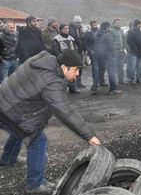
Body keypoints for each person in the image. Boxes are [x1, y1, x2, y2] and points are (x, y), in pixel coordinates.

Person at [0, 49, 100, 193]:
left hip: (5, 101)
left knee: (21, 129)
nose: (77, 74)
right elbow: (65, 111)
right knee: (38, 139)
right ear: (64, 67)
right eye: (76, 70)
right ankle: (35, 184)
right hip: (9, 110)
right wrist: (89, 135)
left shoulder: (43, 60)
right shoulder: (51, 81)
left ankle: (7, 159)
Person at [90, 22, 121, 95]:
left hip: (99, 56)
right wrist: (113, 56)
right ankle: (112, 89)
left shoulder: (97, 34)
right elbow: (111, 47)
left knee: (100, 73)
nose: (110, 28)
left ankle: (93, 88)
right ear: (107, 27)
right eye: (109, 27)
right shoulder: (108, 34)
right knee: (112, 73)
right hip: (108, 56)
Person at [51, 24, 81, 94]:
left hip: (71, 60)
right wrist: (61, 57)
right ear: (61, 30)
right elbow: (55, 50)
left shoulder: (71, 38)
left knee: (72, 74)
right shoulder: (56, 39)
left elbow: (75, 48)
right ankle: (62, 89)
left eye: (67, 28)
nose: (67, 30)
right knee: (61, 75)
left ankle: (72, 87)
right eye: (65, 28)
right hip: (62, 60)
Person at [69, 16, 86, 88]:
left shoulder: (80, 29)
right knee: (73, 68)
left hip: (80, 50)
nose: (79, 24)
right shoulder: (70, 29)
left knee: (80, 67)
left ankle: (79, 82)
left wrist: (84, 49)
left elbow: (83, 39)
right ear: (74, 22)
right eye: (77, 23)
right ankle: (73, 83)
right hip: (73, 51)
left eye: (80, 22)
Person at [126, 19, 141, 85]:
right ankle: (132, 79)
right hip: (133, 51)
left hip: (140, 51)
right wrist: (134, 47)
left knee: (139, 66)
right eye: (139, 24)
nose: (140, 26)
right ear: (137, 25)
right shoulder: (131, 31)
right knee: (132, 66)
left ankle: (138, 79)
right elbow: (128, 41)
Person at [110, 19, 128, 85]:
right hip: (115, 51)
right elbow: (109, 41)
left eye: (119, 23)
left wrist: (127, 49)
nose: (118, 24)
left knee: (121, 66)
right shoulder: (111, 31)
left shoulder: (121, 30)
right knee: (114, 67)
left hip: (121, 51)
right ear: (114, 24)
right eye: (117, 23)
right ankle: (113, 82)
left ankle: (121, 80)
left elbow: (124, 41)